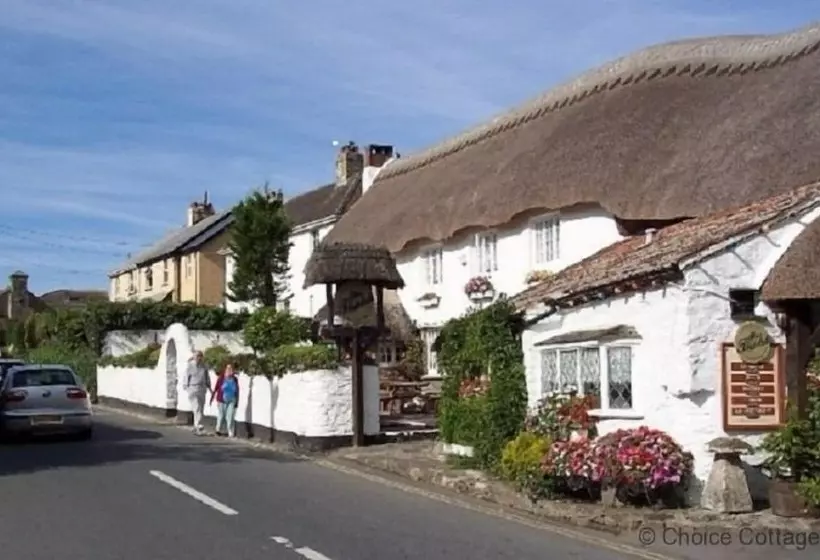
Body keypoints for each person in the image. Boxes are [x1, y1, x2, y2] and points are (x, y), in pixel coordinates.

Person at [183, 350, 211, 434]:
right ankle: (199, 425)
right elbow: (186, 376)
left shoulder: (204, 366)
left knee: (201, 408)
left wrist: (209, 386)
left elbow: (207, 377)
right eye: (197, 356)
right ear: (194, 357)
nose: (198, 358)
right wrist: (186, 385)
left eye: (200, 356)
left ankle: (196, 425)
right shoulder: (190, 365)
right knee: (197, 407)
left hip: (202, 388)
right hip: (193, 387)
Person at [211, 362, 240, 437]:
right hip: (222, 399)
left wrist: (237, 401)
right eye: (228, 368)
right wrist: (212, 398)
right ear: (225, 369)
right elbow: (216, 388)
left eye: (231, 368)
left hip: (232, 399)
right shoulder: (221, 378)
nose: (229, 370)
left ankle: (230, 431)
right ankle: (218, 430)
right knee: (221, 415)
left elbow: (237, 390)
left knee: (230, 416)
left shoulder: (235, 379)